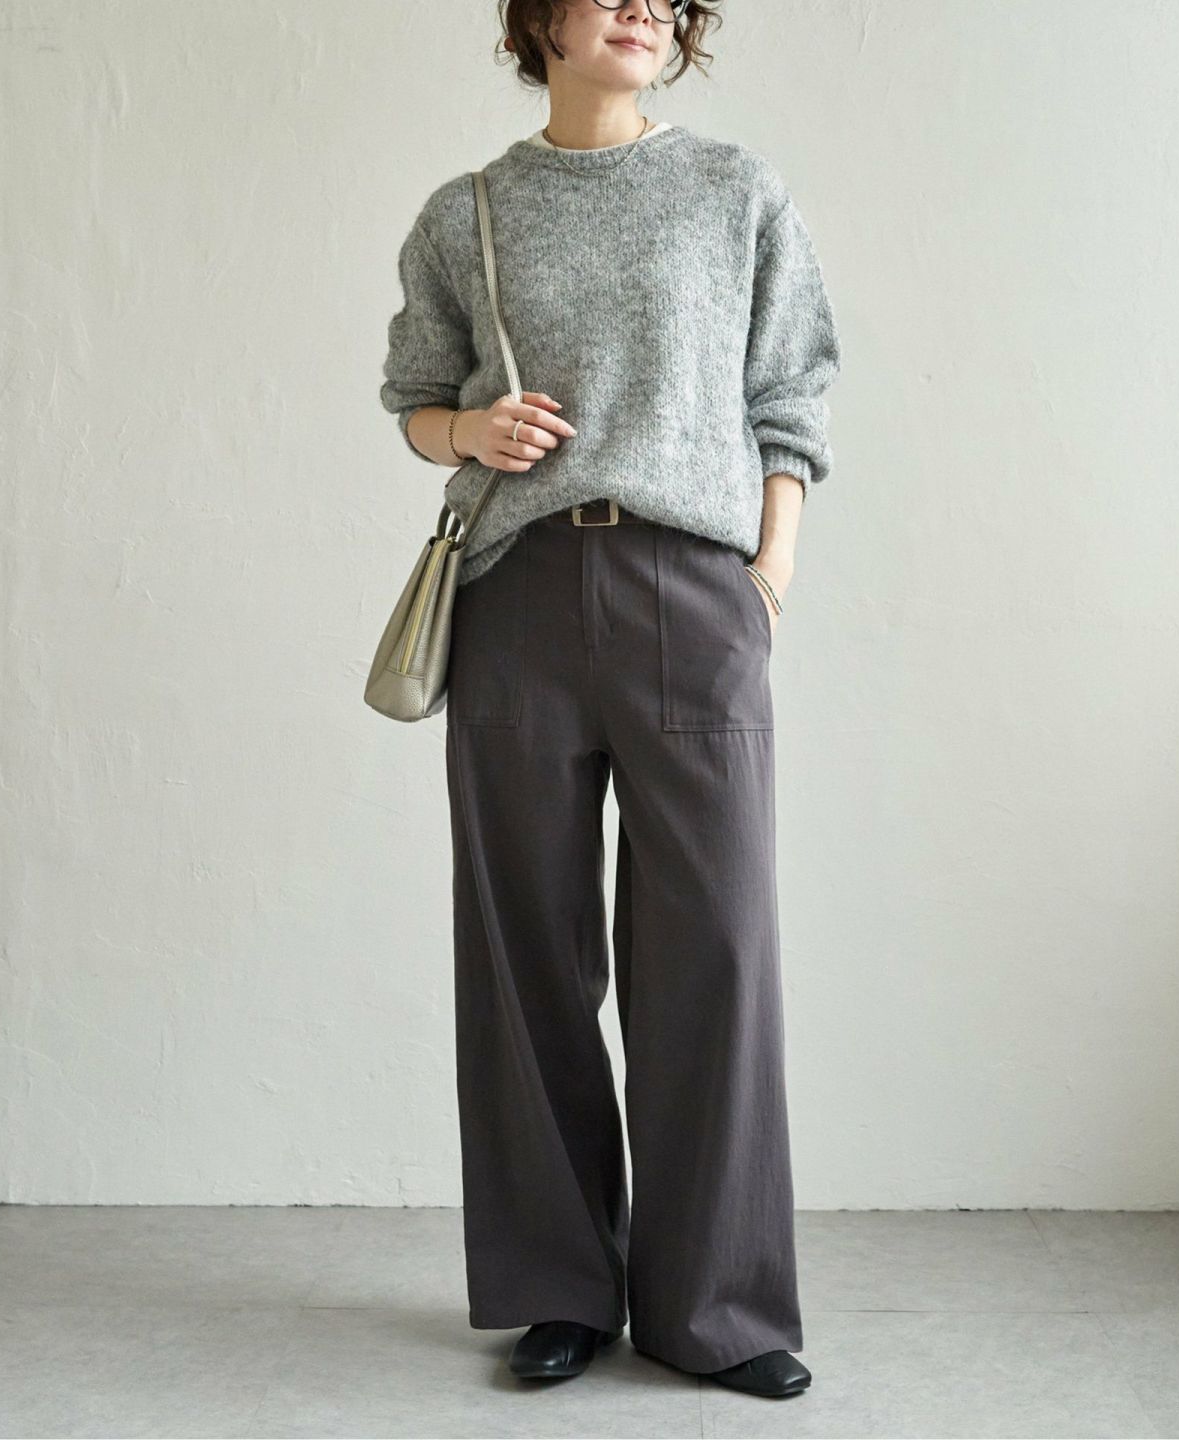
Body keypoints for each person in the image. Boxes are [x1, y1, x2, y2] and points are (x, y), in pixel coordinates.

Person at [378, 0, 841, 1401]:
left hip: (692, 595)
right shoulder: (468, 211)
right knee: (526, 947)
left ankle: (718, 1306)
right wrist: (470, 429)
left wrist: (768, 573)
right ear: (539, 21)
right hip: (516, 597)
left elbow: (791, 393)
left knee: (716, 944)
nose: (641, 6)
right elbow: (414, 397)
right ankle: (557, 1287)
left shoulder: (734, 191)